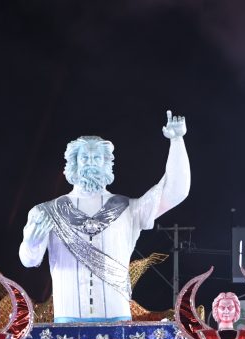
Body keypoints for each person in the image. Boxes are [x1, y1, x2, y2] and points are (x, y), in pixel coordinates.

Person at [19, 112, 190, 322]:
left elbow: (175, 192)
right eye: (85, 158)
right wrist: (32, 242)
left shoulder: (128, 209)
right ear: (74, 163)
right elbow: (29, 260)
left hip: (117, 321)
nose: (91, 163)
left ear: (106, 163)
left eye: (96, 158)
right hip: (67, 322)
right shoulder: (46, 212)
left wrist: (177, 141)